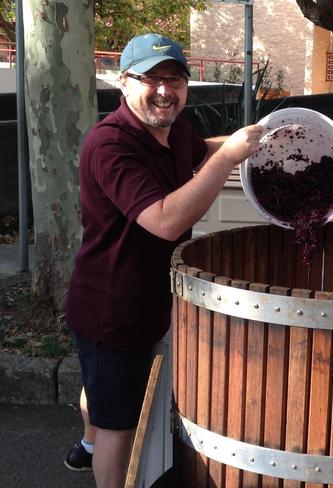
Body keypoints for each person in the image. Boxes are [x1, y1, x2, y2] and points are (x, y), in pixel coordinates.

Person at [63, 33, 262, 488]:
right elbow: (166, 220)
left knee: (102, 385)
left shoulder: (171, 134)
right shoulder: (109, 145)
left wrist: (241, 143)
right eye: (150, 79)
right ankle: (103, 458)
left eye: (174, 79)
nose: (164, 90)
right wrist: (230, 157)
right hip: (113, 310)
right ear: (124, 83)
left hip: (144, 299)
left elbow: (199, 150)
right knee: (121, 423)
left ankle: (86, 445)